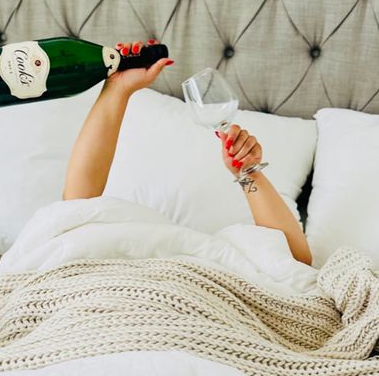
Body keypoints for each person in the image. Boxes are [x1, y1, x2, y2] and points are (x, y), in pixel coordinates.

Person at [63, 55, 312, 265]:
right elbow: (72, 213)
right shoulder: (106, 236)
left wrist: (248, 173)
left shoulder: (226, 257)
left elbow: (294, 263)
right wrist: (117, 88)